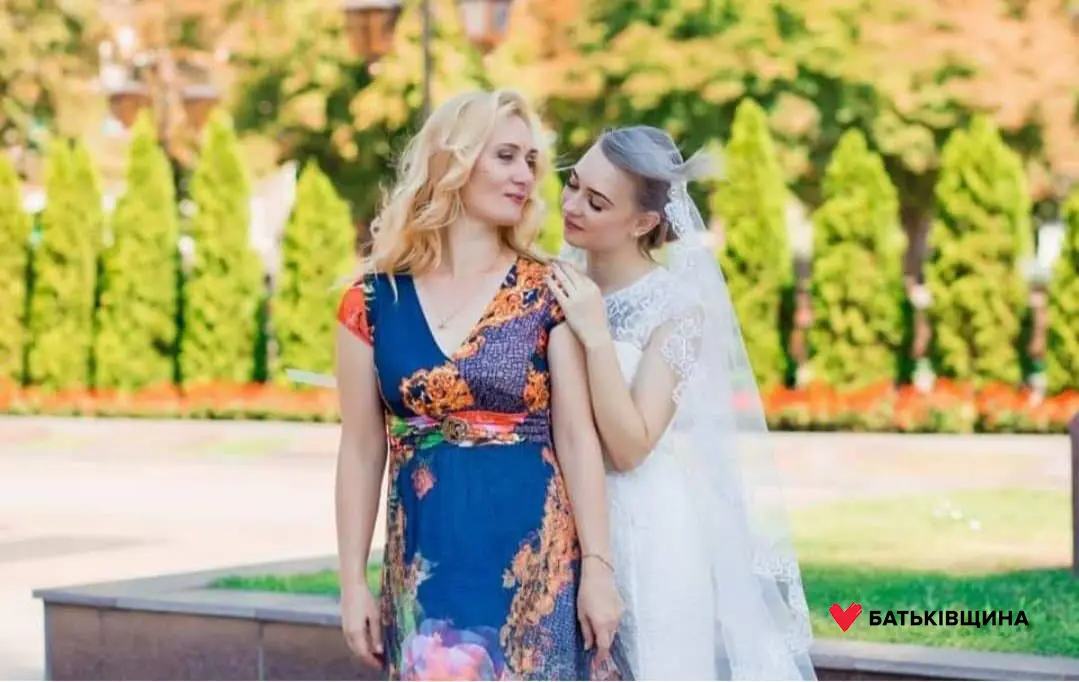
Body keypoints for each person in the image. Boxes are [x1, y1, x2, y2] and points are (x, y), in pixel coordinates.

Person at [332, 90, 625, 681]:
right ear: (454, 161)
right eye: (506, 156)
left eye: (530, 162)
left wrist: (598, 566)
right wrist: (351, 582)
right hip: (425, 575)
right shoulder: (371, 302)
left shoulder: (548, 292)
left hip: (534, 573)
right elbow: (361, 449)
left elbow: (576, 438)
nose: (525, 176)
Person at [547, 125, 817, 681]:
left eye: (596, 202)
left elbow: (631, 447)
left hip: (644, 530)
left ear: (643, 223)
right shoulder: (553, 280)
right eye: (572, 184)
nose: (571, 206)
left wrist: (596, 336)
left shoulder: (676, 308)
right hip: (558, 521)